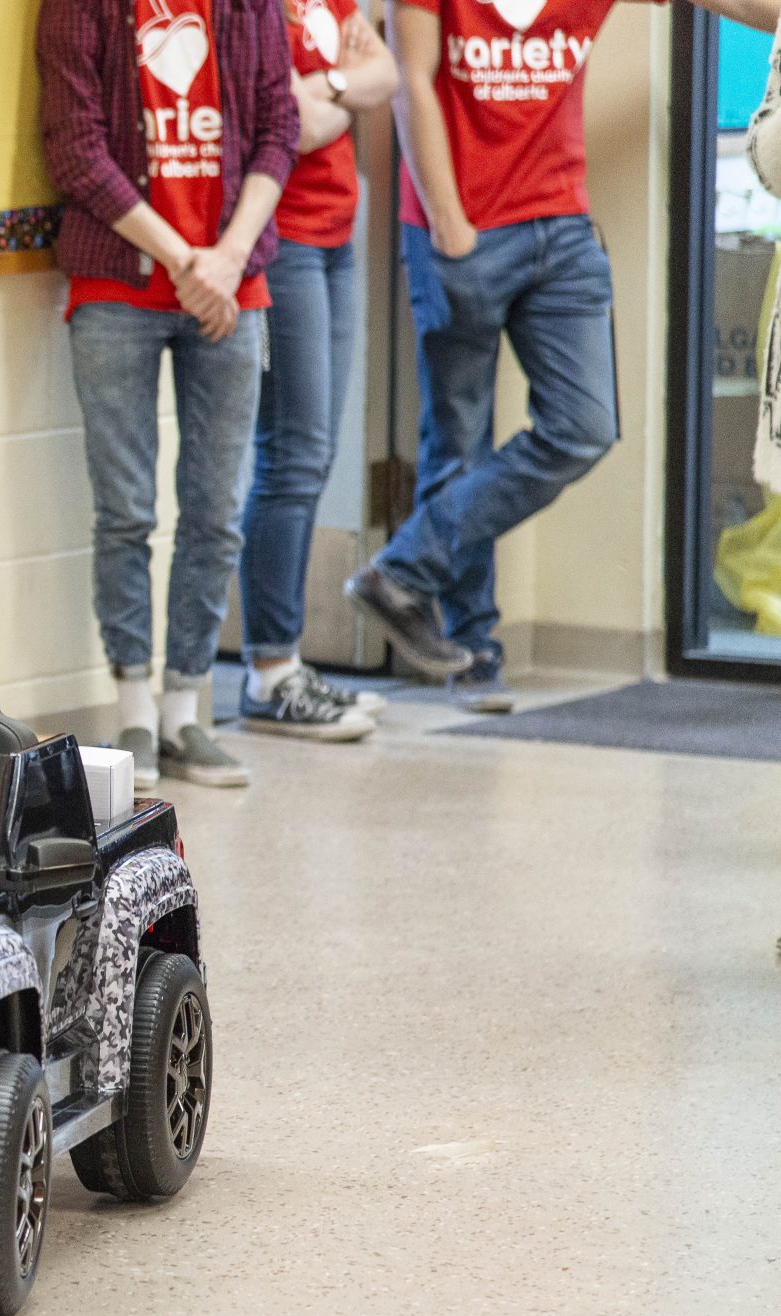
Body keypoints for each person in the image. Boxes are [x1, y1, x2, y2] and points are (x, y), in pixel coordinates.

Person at [346, 0, 777, 710]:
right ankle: (475, 652)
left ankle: (399, 570)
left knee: (582, 426)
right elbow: (410, 80)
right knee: (457, 442)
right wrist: (449, 222)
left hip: (561, 231)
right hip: (458, 229)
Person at [38, 0, 300, 790]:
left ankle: (187, 708)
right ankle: (134, 714)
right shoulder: (82, 9)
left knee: (216, 508)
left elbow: (277, 129)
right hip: (119, 289)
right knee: (125, 509)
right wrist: (190, 261)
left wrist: (227, 258)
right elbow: (77, 153)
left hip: (231, 287)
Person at [238, 0, 397, 741]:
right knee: (292, 455)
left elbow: (384, 74)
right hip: (284, 236)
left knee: (314, 452)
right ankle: (270, 672)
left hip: (337, 232)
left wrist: (325, 85)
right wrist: (346, 86)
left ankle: (288, 664)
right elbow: (290, 127)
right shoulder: (251, 11)